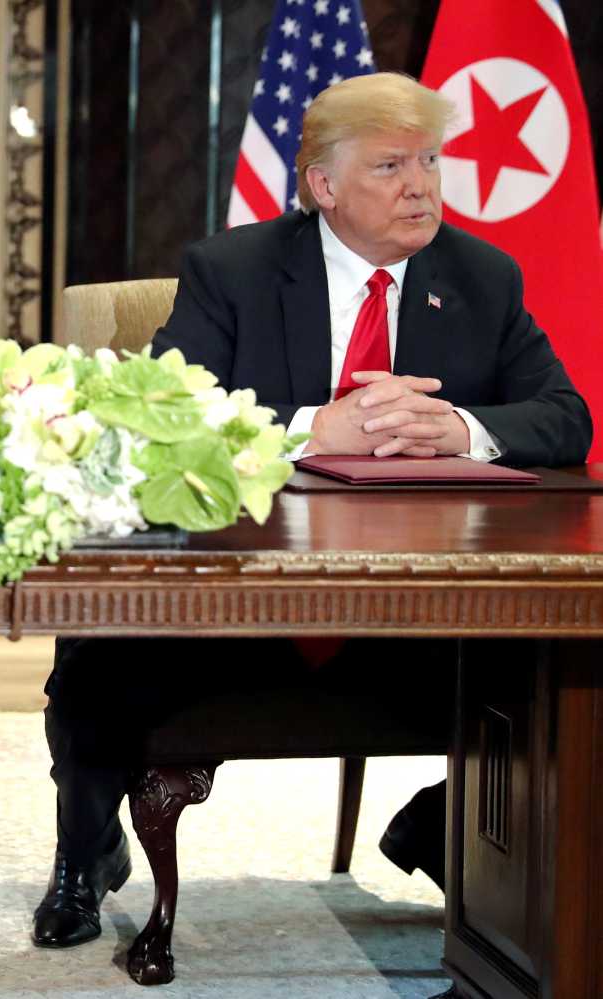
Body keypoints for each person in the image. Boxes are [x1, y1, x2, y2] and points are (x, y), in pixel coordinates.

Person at [33, 72, 591, 949]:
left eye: (430, 161)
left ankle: (443, 827)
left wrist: (459, 428)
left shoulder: (481, 276)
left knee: (571, 669)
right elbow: (161, 417)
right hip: (243, 599)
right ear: (323, 184)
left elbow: (565, 418)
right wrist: (310, 428)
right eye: (391, 166)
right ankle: (87, 850)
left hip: (428, 613)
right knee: (98, 648)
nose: (421, 186)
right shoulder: (232, 271)